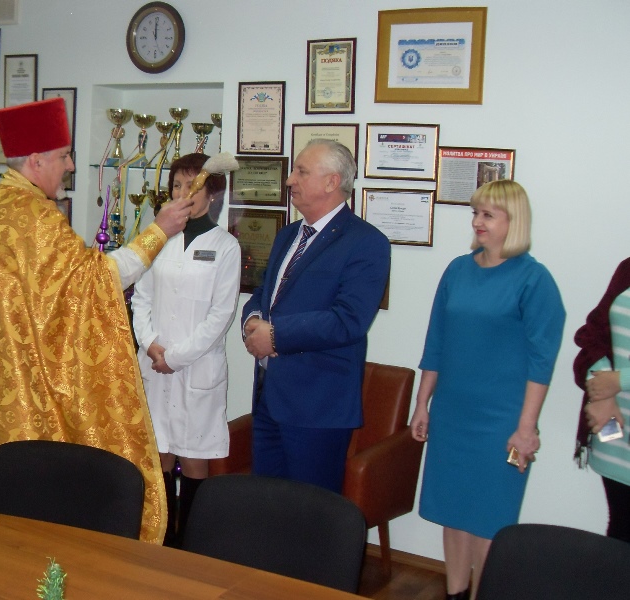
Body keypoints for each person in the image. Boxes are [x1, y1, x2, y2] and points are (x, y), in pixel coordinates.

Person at [0, 98, 193, 544]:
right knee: (32, 516)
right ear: (36, 160)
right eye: (64, 156)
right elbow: (97, 280)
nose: (70, 165)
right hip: (24, 391)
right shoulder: (32, 215)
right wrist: (158, 231)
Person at [409, 179, 565, 599]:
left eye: (488, 215)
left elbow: (542, 362)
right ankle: (456, 593)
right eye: (475, 213)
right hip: (452, 414)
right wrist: (422, 404)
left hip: (501, 422)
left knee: (488, 520)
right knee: (454, 514)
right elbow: (436, 343)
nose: (478, 222)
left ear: (514, 222)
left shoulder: (534, 280)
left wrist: (526, 428)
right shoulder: (458, 270)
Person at [242, 139, 390, 493]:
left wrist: (275, 335)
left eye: (301, 172)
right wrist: (252, 320)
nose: (290, 179)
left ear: (331, 182)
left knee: (309, 513)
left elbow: (348, 320)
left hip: (318, 406)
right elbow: (265, 293)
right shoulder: (288, 235)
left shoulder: (366, 242)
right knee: (266, 506)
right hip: (269, 397)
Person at [131, 153, 241, 546]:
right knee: (159, 454)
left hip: (196, 368)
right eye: (177, 185)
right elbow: (141, 298)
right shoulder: (158, 239)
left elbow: (221, 315)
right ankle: (160, 539)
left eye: (192, 186)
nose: (182, 193)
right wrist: (150, 344)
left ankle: (190, 546)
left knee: (194, 458)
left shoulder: (226, 247)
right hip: (154, 364)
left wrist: (175, 357)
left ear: (212, 195)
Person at [573, 258, 630, 543]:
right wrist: (601, 390)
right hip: (615, 433)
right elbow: (593, 334)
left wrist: (620, 381)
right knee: (621, 530)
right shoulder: (628, 269)